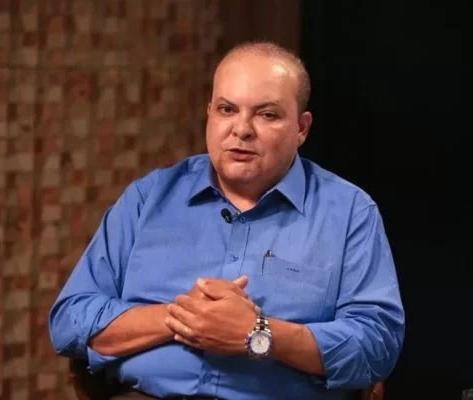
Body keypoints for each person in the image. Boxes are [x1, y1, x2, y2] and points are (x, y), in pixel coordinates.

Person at [48, 41, 405, 400]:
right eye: (227, 109)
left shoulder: (350, 212)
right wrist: (183, 317)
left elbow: (378, 345)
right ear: (210, 113)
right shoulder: (149, 197)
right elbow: (69, 320)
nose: (242, 129)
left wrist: (259, 334)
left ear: (302, 128)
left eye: (267, 115)